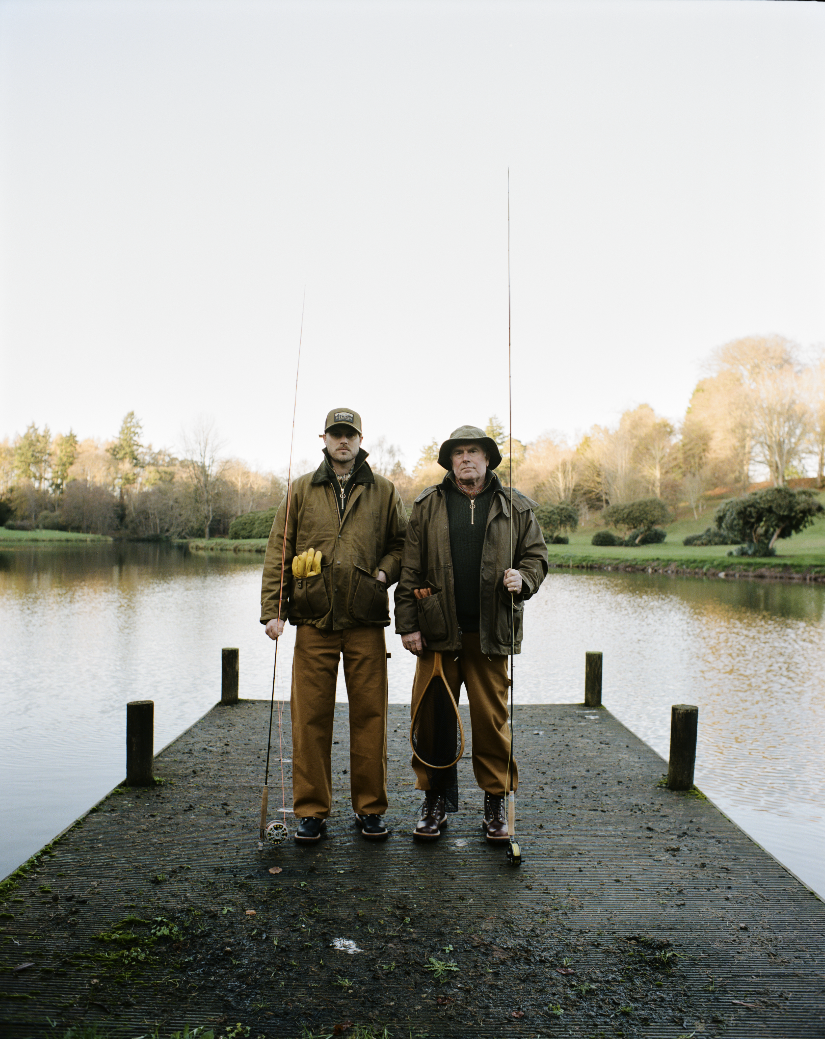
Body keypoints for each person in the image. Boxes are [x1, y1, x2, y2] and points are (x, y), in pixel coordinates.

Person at [394, 424, 548, 841]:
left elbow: (537, 558)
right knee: (431, 721)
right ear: (449, 462)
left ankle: (495, 801)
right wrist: (407, 625)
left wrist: (524, 579)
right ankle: (434, 800)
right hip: (437, 635)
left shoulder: (516, 507)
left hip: (490, 635)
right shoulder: (427, 504)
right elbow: (409, 570)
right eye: (458, 453)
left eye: (473, 452)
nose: (465, 459)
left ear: (488, 460)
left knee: (491, 721)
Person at [261, 408, 407, 843]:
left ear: (361, 440)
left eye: (351, 434)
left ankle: (371, 810)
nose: (343, 441)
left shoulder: (384, 491)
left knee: (370, 717)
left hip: (365, 621)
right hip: (313, 622)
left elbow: (402, 544)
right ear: (323, 438)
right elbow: (279, 552)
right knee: (310, 719)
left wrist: (382, 573)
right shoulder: (301, 490)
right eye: (336, 434)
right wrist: (274, 609)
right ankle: (311, 812)